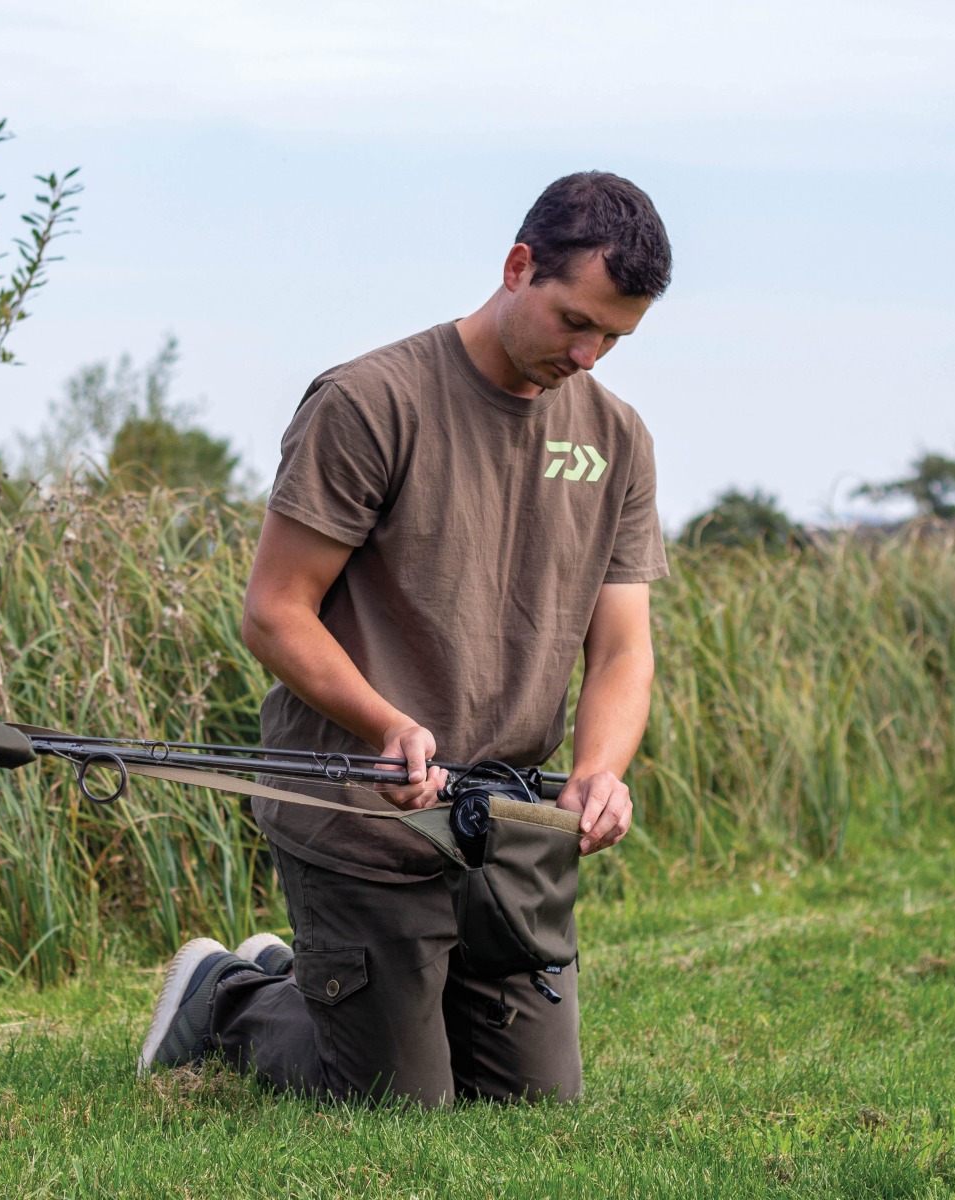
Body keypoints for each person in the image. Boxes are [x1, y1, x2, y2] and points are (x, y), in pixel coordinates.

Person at [139, 171, 673, 1105]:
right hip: (363, 814)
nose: (589, 355)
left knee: (532, 1105)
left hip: (504, 830)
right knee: (401, 1107)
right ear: (517, 267)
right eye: (575, 322)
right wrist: (386, 722)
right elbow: (275, 612)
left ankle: (331, 989)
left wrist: (600, 769)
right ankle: (232, 995)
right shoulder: (370, 402)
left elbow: (623, 646)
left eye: (614, 339)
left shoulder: (618, 439)